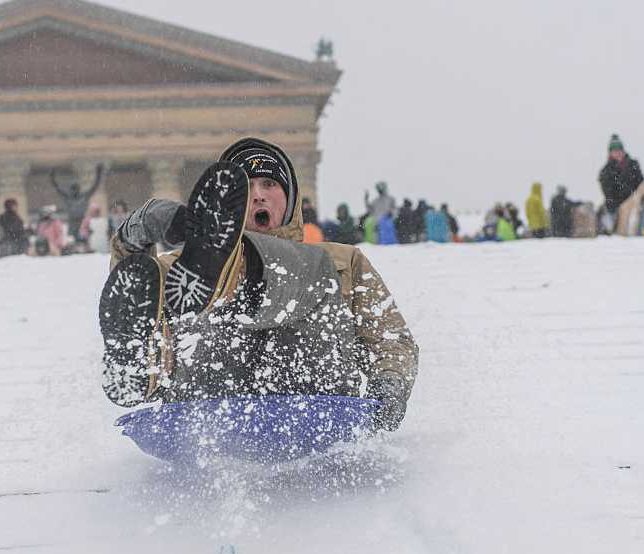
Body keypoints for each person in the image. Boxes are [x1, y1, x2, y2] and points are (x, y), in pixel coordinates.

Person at [100, 138, 419, 432]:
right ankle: (141, 363)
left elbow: (390, 340)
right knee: (173, 294)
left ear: (290, 197)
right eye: (246, 188)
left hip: (314, 396)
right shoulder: (188, 267)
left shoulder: (343, 261)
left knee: (318, 271)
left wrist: (389, 383)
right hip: (212, 397)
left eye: (268, 183)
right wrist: (134, 237)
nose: (257, 194)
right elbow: (134, 292)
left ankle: (237, 272)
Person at [598, 134, 644, 227]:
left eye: (620, 150)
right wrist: (614, 204)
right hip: (617, 204)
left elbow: (641, 183)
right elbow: (608, 192)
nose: (618, 153)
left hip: (634, 200)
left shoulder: (633, 165)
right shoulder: (606, 171)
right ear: (610, 153)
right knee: (610, 218)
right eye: (615, 151)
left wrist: (643, 198)